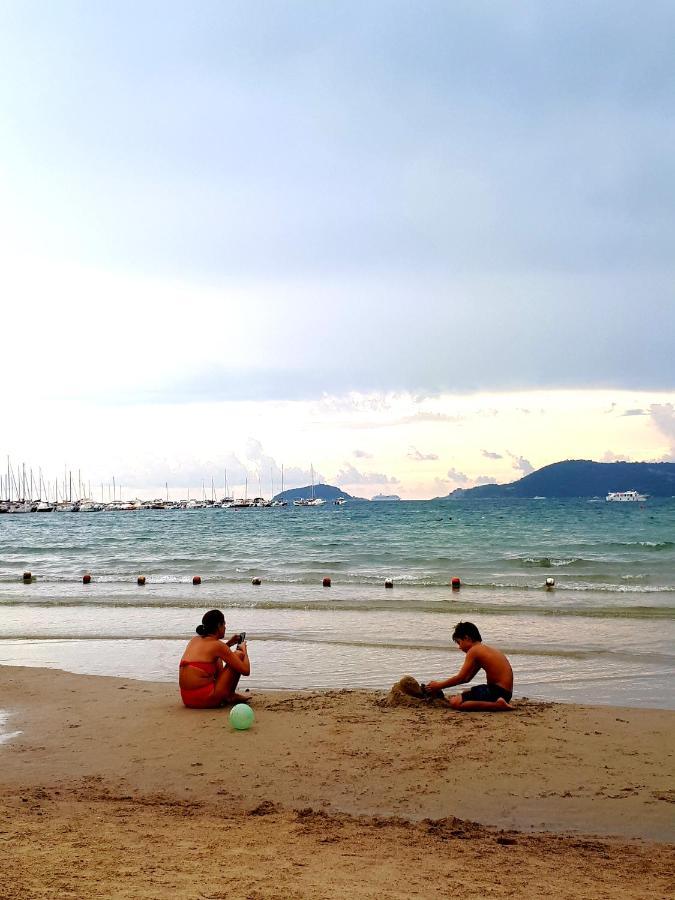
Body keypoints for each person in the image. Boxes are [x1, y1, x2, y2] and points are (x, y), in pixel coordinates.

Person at [424, 621, 514, 711]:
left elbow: (460, 677)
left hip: (496, 691)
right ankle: (499, 702)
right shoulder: (483, 649)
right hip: (506, 693)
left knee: (455, 702)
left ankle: (497, 705)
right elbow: (466, 679)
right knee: (465, 692)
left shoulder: (474, 651)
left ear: (467, 638)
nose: (459, 647)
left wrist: (438, 685)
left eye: (459, 643)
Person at [179, 609, 251, 708]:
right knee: (239, 655)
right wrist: (244, 650)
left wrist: (228, 644)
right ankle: (229, 695)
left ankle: (229, 695)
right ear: (218, 626)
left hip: (187, 699)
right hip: (206, 699)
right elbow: (246, 671)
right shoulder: (218, 646)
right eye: (224, 624)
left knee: (218, 658)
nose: (225, 627)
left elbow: (210, 654)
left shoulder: (194, 640)